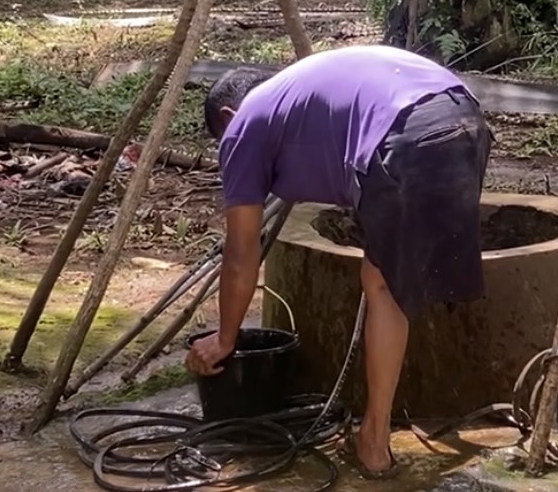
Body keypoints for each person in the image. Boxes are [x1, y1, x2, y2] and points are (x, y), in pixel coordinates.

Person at [185, 44, 492, 480]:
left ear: (228, 116)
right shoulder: (294, 94)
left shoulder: (243, 126)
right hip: (464, 116)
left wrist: (225, 338)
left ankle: (374, 441)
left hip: (405, 134)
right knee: (385, 273)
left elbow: (241, 253)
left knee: (382, 287)